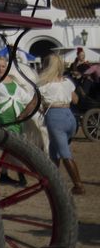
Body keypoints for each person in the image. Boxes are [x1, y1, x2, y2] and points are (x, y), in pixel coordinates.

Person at [30, 52, 84, 195]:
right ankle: (52, 181)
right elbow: (76, 100)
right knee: (54, 151)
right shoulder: (67, 82)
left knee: (64, 153)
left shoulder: (43, 85)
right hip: (70, 117)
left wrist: (22, 115)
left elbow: (33, 104)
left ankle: (78, 185)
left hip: (55, 118)